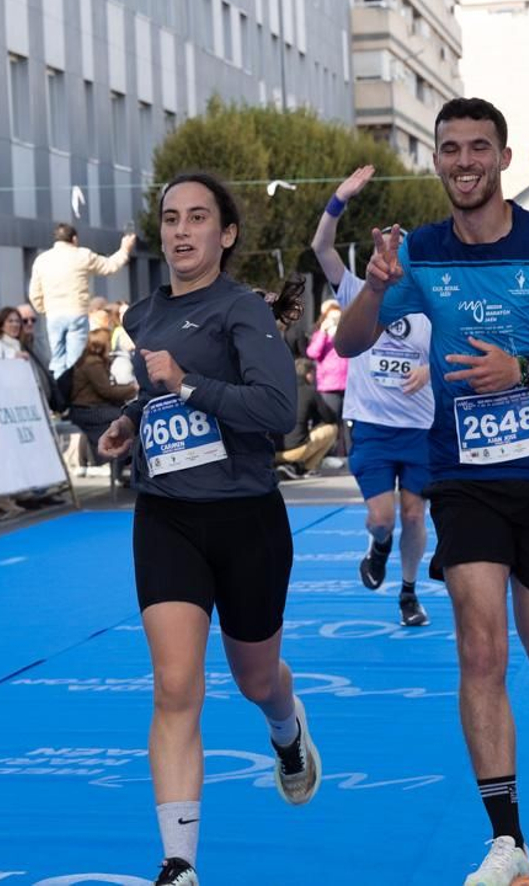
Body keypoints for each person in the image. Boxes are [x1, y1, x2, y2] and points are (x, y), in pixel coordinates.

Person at [335, 98, 529, 886]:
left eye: (478, 148)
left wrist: (526, 367)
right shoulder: (420, 254)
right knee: (478, 645)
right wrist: (372, 286)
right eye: (449, 149)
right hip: (463, 477)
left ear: (504, 156)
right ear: (436, 160)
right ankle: (509, 842)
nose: (463, 161)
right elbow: (351, 341)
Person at [94, 172, 319, 886]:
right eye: (170, 218)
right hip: (167, 517)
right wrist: (131, 420)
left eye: (198, 218)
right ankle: (179, 863)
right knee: (175, 684)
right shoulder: (142, 314)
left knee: (255, 678)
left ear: (225, 234)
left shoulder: (242, 310)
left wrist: (188, 383)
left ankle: (286, 727)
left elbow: (278, 409)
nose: (181, 231)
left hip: (245, 516)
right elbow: (158, 389)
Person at [316, 165, 437, 628]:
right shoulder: (353, 290)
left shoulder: (427, 306)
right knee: (383, 518)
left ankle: (408, 594)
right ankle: (378, 545)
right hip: (370, 426)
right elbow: (321, 247)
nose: (391, 254)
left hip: (419, 428)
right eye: (383, 247)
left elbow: (451, 353)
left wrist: (429, 369)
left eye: (398, 248)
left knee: (414, 513)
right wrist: (338, 199)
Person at [27, 222, 135, 376]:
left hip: (54, 315)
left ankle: (59, 393)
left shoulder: (42, 260)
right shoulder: (83, 255)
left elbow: (34, 293)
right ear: (74, 239)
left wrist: (45, 309)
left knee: (57, 360)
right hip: (76, 312)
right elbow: (110, 266)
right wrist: (125, 249)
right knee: (75, 361)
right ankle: (73, 394)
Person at [69, 327, 137, 481]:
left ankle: (123, 464)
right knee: (127, 418)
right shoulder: (92, 364)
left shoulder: (92, 361)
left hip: (91, 407)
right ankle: (123, 461)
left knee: (125, 416)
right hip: (87, 410)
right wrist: (133, 388)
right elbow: (107, 391)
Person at [274, 358, 338, 478]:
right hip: (295, 450)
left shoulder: (278, 390)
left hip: (272, 451)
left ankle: (286, 466)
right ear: (308, 374)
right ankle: (307, 468)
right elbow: (330, 418)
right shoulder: (309, 391)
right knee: (332, 429)